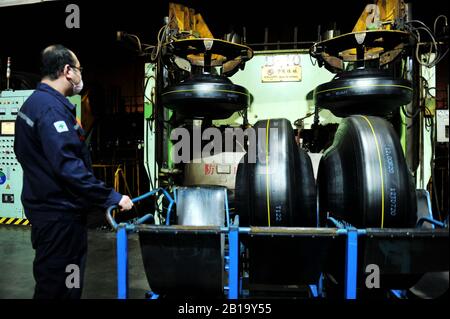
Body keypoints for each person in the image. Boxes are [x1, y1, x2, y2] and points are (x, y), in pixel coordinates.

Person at [14, 44, 133, 299]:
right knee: (61, 288)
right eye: (79, 69)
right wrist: (112, 198)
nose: (81, 75)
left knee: (50, 283)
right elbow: (69, 168)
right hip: (60, 218)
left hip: (45, 212)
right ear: (67, 71)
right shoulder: (51, 109)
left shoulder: (32, 105)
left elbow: (25, 154)